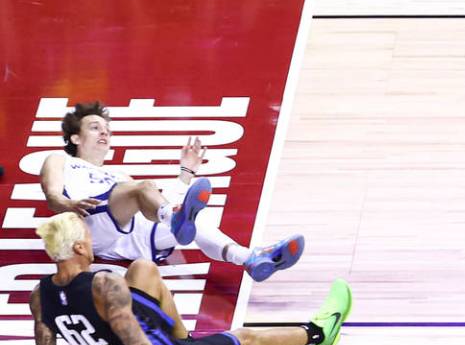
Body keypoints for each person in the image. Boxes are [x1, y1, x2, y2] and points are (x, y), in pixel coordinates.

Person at [24, 212, 350, 345]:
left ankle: (188, 344)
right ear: (79, 246)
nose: (93, 239)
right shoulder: (103, 284)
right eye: (88, 235)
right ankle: (319, 331)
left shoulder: (41, 294)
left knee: (144, 269)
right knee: (244, 338)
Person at [39, 100, 303, 280]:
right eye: (95, 127)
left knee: (195, 219)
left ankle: (251, 258)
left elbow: (153, 209)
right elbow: (52, 195)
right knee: (145, 191)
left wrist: (186, 172)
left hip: (130, 240)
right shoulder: (61, 159)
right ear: (75, 138)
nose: (104, 132)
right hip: (88, 222)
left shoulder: (118, 175)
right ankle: (174, 218)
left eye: (107, 129)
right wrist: (67, 205)